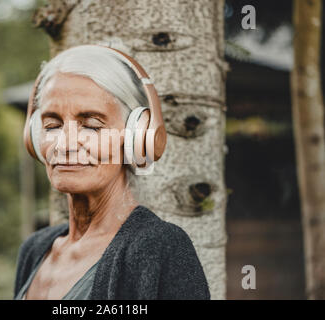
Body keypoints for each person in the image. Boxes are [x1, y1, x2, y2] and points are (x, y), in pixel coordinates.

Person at [14, 45, 210, 300]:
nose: (65, 144)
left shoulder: (160, 247)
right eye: (52, 125)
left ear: (136, 136)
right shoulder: (34, 249)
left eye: (92, 126)